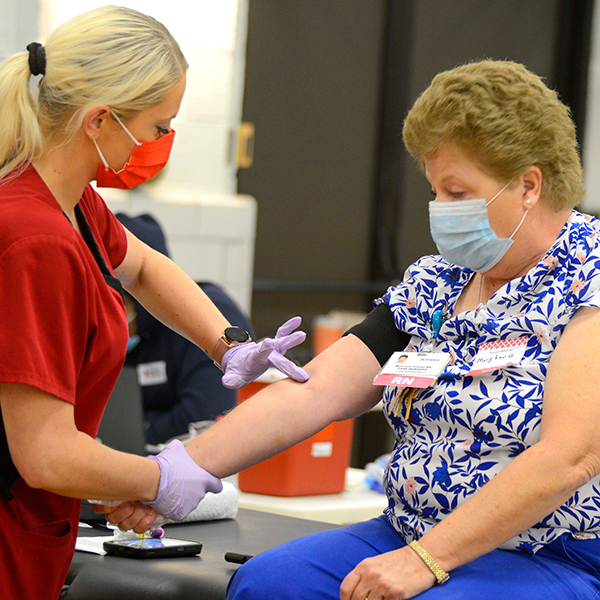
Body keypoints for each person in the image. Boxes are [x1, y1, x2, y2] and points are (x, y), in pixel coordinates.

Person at [103, 59, 600, 599]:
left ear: (529, 184)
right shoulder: (434, 284)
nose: (440, 210)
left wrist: (426, 560)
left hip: (545, 553)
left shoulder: (587, 279)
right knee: (267, 584)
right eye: (435, 192)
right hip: (407, 529)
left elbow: (570, 456)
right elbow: (313, 393)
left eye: (457, 193)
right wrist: (171, 475)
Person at [0, 7, 308, 600]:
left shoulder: (71, 204)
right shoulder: (35, 238)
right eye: (159, 126)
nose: (162, 142)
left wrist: (227, 343)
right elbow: (43, 454)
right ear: (98, 120)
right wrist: (161, 477)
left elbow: (142, 266)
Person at [116, 212, 256, 445]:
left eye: (121, 302)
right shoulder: (112, 336)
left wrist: (139, 432)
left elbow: (207, 415)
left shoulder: (205, 312)